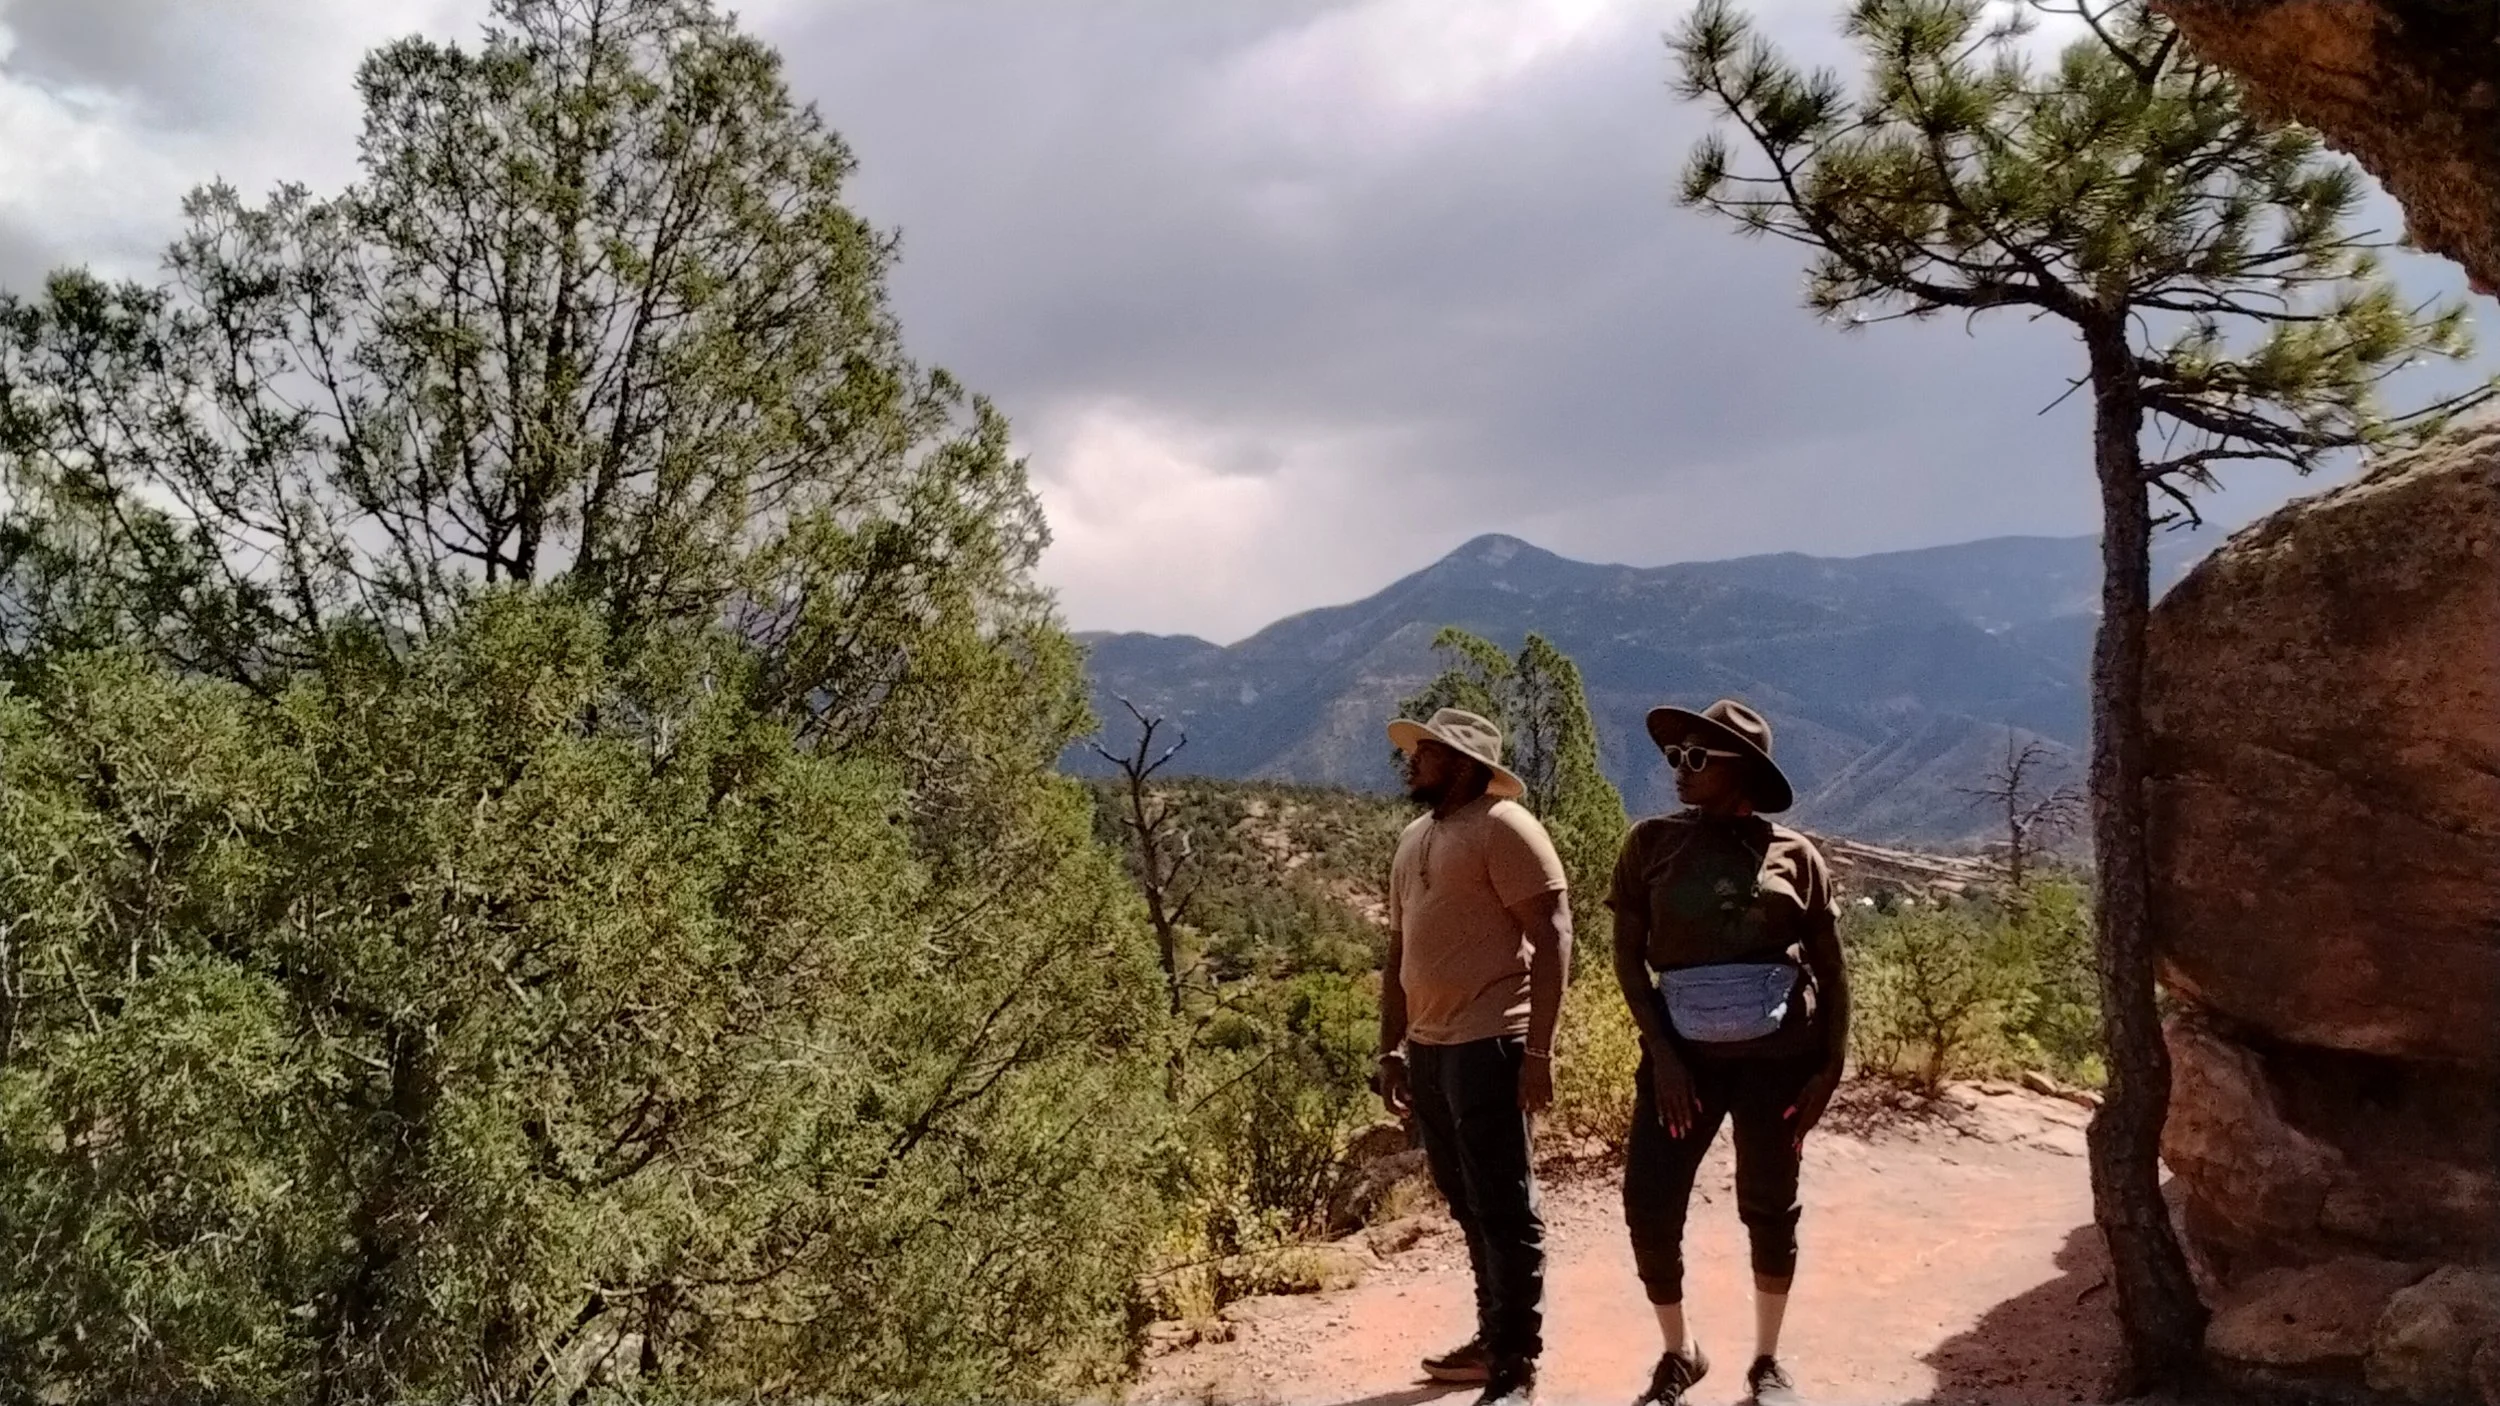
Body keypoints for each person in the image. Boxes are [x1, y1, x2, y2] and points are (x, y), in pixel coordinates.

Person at [1608, 699, 1850, 1406]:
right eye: (1675, 757)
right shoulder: (1649, 844)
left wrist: (1830, 1068)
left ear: (1740, 769)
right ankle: (1679, 1354)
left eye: (1696, 759)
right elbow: (1627, 958)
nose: (1678, 770)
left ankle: (1768, 1364)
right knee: (1649, 1203)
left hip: (1780, 1060)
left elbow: (1832, 970)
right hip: (1681, 1058)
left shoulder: (1795, 855)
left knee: (1770, 1206)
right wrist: (1666, 1055)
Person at [1376, 708, 1573, 1406]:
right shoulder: (1413, 838)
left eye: (1425, 753)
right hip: (1429, 1048)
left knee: (1505, 1203)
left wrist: (1539, 1051)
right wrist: (1390, 1047)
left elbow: (1552, 937)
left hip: (1491, 1039)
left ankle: (1517, 1367)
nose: (1411, 763)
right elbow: (1398, 952)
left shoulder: (1507, 828)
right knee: (1466, 1199)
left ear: (1461, 762)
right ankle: (1494, 1338)